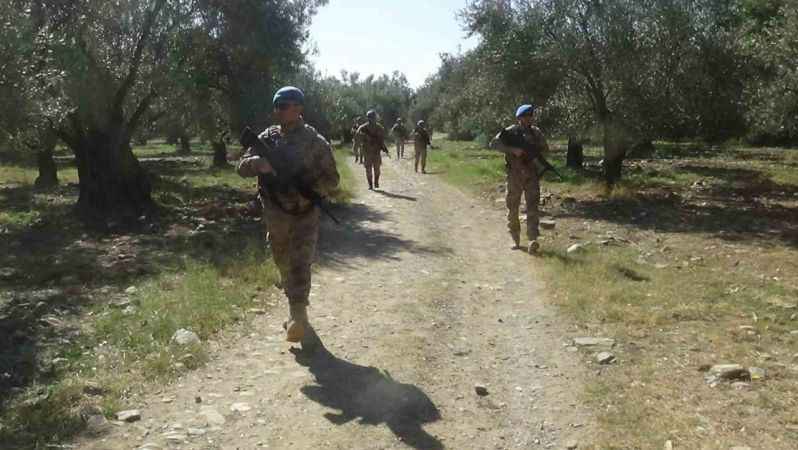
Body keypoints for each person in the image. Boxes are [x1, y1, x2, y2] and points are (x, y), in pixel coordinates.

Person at [237, 86, 340, 348]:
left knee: (301, 260)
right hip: (275, 211)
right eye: (277, 106)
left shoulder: (316, 142)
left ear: (298, 108)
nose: (279, 111)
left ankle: (298, 313)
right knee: (282, 258)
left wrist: (309, 187)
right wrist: (258, 164)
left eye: (284, 106)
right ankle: (294, 306)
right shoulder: (266, 138)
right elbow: (241, 166)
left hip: (305, 212)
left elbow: (333, 181)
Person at [489, 104, 549, 254]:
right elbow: (494, 144)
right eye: (525, 116)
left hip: (532, 175)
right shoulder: (510, 131)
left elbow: (545, 149)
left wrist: (535, 154)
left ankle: (532, 239)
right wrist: (513, 150)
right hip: (514, 175)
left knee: (533, 207)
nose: (528, 119)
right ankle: (514, 238)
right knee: (513, 207)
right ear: (519, 118)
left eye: (530, 116)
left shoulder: (536, 133)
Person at [356, 110, 387, 190]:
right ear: (368, 118)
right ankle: (370, 184)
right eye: (371, 117)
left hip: (376, 152)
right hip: (367, 152)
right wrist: (363, 140)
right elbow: (358, 138)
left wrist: (384, 147)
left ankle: (376, 181)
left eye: (373, 117)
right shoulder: (363, 128)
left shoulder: (379, 128)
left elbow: (382, 140)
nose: (372, 119)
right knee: (368, 169)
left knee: (377, 170)